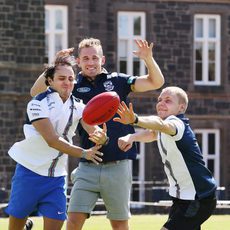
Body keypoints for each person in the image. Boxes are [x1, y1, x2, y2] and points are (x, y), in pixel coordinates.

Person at [30, 38, 165, 230]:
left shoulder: (118, 81)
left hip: (118, 164)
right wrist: (54, 66)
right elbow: (36, 92)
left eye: (94, 57)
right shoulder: (72, 86)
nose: (90, 62)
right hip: (87, 164)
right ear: (78, 62)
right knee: (74, 222)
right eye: (85, 58)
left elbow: (156, 82)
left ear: (102, 60)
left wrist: (148, 59)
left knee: (119, 224)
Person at [6, 58, 108, 230]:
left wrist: (102, 137)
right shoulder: (37, 103)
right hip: (29, 172)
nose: (67, 82)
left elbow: (93, 129)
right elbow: (52, 140)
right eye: (61, 78)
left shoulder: (79, 106)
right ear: (50, 80)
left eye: (70, 78)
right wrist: (84, 153)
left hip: (57, 177)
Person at [114, 86, 217, 230]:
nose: (161, 103)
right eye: (159, 99)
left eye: (168, 101)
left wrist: (135, 119)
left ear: (181, 108)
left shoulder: (177, 124)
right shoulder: (164, 128)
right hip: (182, 198)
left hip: (199, 197)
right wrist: (131, 137)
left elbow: (159, 124)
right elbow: (152, 133)